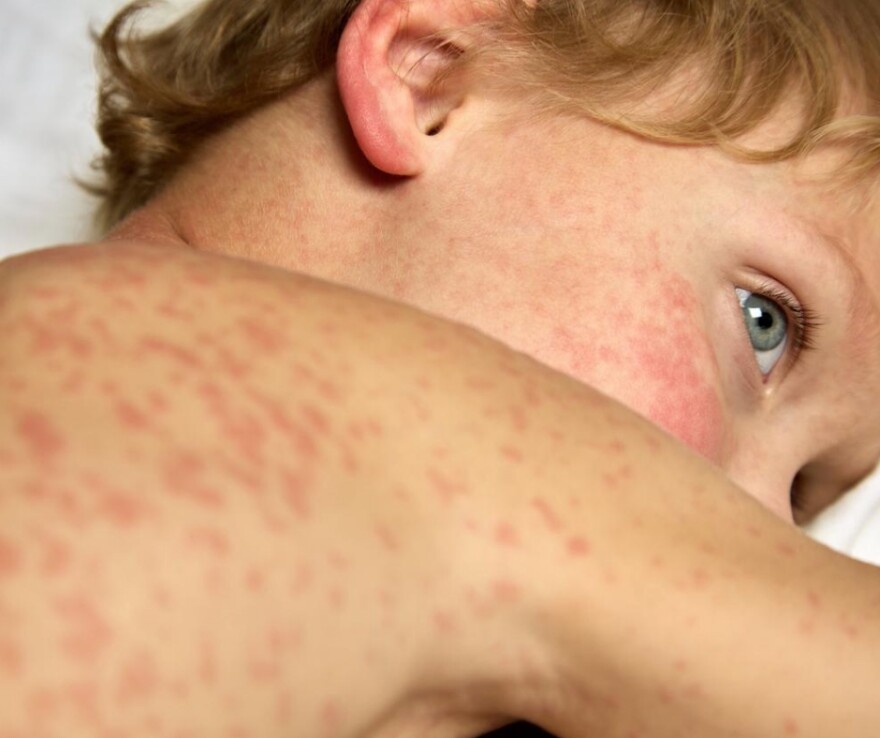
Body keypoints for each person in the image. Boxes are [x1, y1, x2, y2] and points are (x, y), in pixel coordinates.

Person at [0, 0, 878, 736]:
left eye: (805, 495)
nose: (766, 529)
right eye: (766, 324)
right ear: (429, 80)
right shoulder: (142, 351)